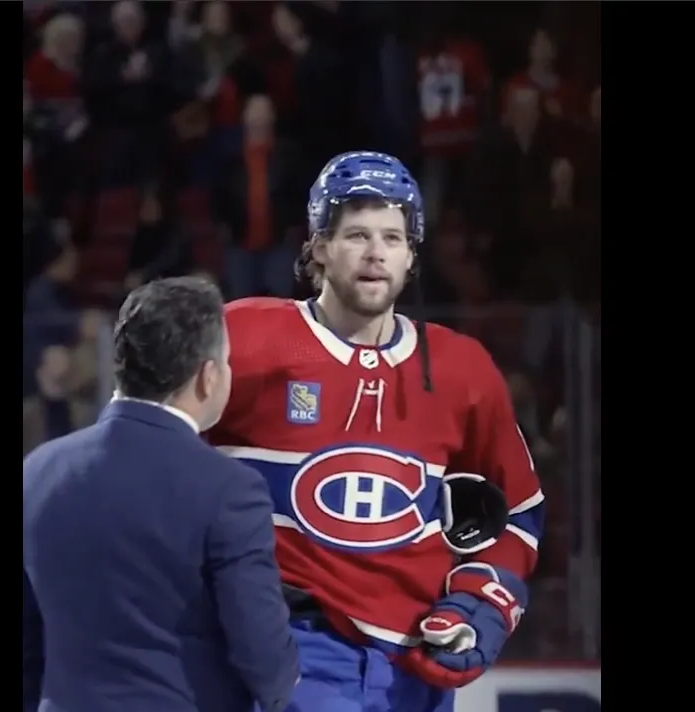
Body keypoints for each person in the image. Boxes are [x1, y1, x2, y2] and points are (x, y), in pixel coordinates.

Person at [206, 152, 545, 712]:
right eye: (356, 234)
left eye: (392, 237)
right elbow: (148, 447)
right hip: (292, 654)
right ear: (317, 247)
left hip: (419, 665)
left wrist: (479, 602)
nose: (375, 253)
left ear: (412, 255)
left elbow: (520, 512)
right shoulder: (243, 336)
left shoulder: (462, 369)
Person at [24, 276, 299, 712]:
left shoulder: (38, 470)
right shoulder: (230, 489)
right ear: (209, 377)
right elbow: (262, 653)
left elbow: (29, 640)